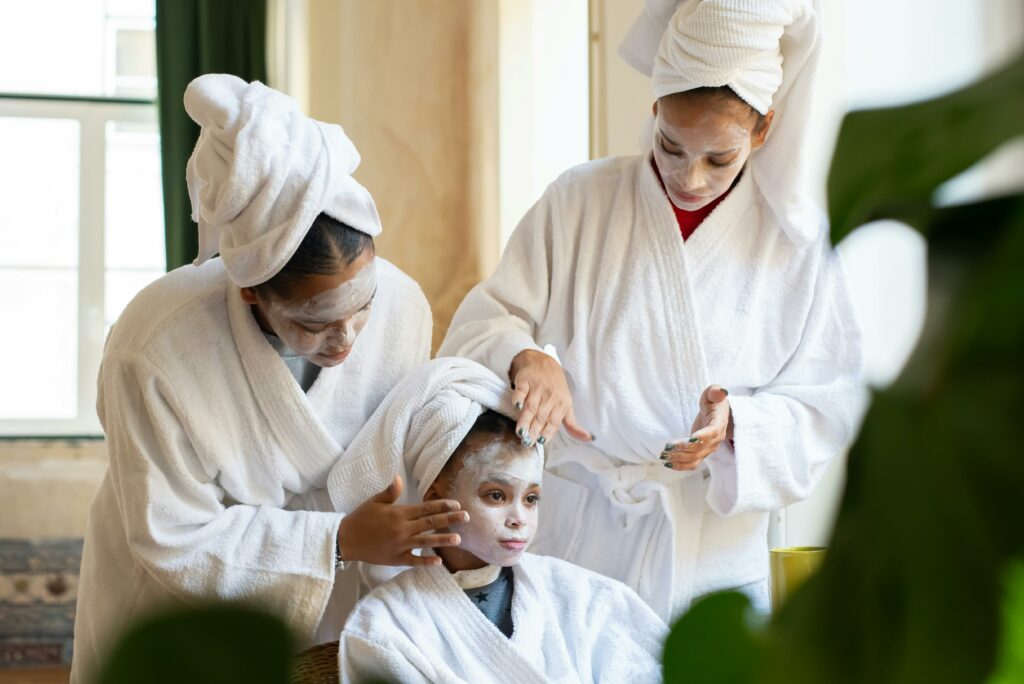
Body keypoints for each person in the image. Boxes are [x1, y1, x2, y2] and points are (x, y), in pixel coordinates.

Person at [437, 0, 863, 619]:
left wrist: (736, 428)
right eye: (671, 145)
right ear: (655, 106)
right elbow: (483, 323)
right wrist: (528, 357)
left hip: (706, 554)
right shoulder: (577, 201)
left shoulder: (796, 245)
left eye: (719, 157)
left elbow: (827, 404)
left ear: (764, 129)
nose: (690, 177)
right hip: (578, 538)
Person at [71, 75, 467, 682]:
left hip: (332, 605)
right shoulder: (155, 346)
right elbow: (173, 537)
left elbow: (413, 425)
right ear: (252, 292)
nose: (348, 339)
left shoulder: (406, 305)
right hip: (182, 606)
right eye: (314, 323)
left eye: (363, 305)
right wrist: (336, 540)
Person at [329, 358, 665, 684]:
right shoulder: (385, 627)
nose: (519, 518)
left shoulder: (585, 598)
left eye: (531, 499)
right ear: (434, 498)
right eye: (496, 496)